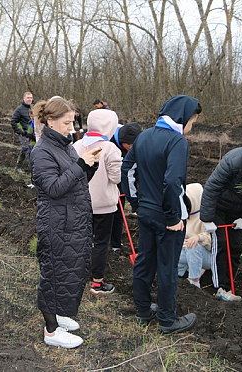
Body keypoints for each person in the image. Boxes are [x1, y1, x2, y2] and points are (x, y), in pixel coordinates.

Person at [122, 94, 201, 334]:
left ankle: (144, 311)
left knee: (145, 261)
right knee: (167, 267)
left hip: (146, 212)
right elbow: (173, 182)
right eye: (192, 121)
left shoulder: (144, 135)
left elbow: (127, 169)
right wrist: (173, 218)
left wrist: (136, 203)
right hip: (168, 219)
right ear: (183, 117)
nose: (191, 126)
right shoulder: (177, 141)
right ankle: (167, 320)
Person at [30, 96, 102, 348]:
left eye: (72, 122)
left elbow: (75, 179)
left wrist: (89, 165)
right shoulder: (41, 152)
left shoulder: (65, 146)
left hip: (73, 222)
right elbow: (53, 188)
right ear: (50, 121)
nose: (71, 128)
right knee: (53, 274)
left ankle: (59, 315)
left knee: (68, 272)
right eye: (66, 123)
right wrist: (81, 164)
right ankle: (51, 331)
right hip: (56, 224)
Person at [200, 141, 242, 301]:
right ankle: (220, 287)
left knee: (236, 247)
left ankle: (230, 283)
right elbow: (212, 188)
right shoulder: (233, 160)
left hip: (240, 210)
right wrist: (207, 218)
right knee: (221, 244)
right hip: (219, 208)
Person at [74, 109, 122, 295]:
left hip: (80, 203)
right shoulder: (111, 148)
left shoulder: (77, 145)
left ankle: (78, 275)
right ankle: (97, 283)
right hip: (104, 206)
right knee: (101, 242)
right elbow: (116, 178)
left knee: (81, 239)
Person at [109, 122, 143, 252]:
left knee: (119, 214)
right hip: (110, 185)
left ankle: (117, 244)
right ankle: (103, 241)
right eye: (130, 146)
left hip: (123, 186)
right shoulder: (111, 145)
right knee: (108, 215)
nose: (132, 148)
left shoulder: (136, 143)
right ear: (124, 143)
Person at [178, 183, 213, 288]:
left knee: (193, 246)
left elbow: (212, 240)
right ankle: (177, 277)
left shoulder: (207, 216)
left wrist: (198, 237)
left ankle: (194, 282)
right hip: (186, 251)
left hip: (206, 256)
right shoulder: (182, 214)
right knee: (170, 251)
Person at [10, 92, 35, 173]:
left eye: (31, 98)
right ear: (24, 98)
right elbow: (14, 121)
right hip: (24, 134)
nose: (29, 99)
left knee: (32, 149)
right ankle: (30, 169)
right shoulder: (19, 109)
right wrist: (20, 131)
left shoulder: (34, 108)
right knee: (26, 149)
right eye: (28, 98)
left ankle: (19, 166)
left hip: (33, 133)